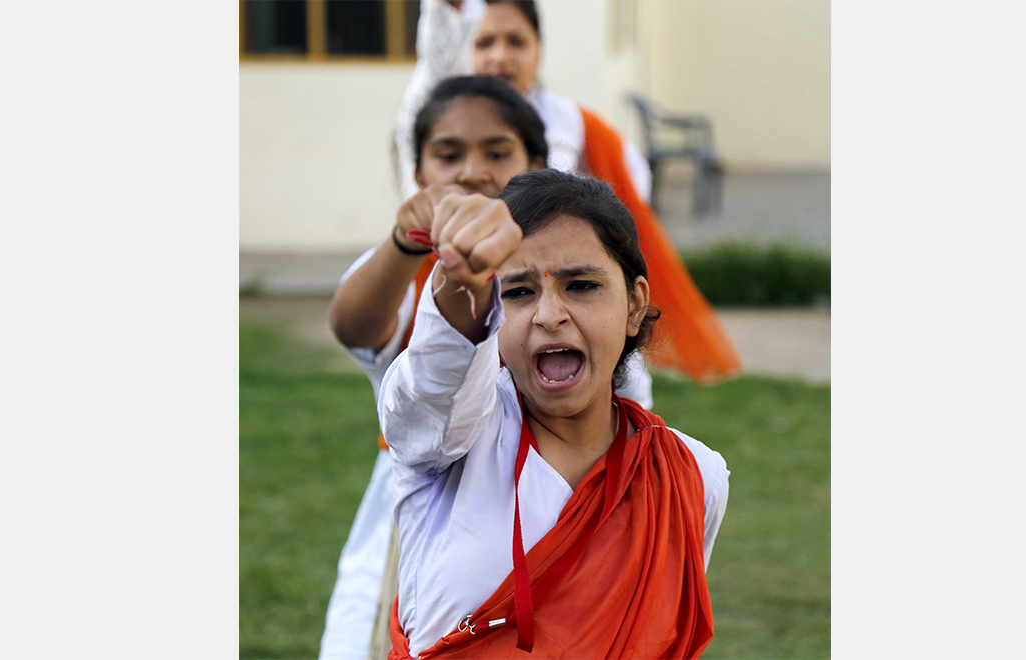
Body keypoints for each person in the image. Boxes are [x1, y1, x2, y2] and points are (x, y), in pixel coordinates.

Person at [318, 76, 651, 660]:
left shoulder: (691, 478)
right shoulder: (421, 284)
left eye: (497, 153)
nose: (472, 172)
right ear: (418, 173)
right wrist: (422, 256)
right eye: (448, 155)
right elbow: (358, 331)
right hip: (424, 538)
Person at [381, 169, 730, 658]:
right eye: (518, 292)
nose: (549, 314)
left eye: (581, 286)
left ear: (635, 305)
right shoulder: (451, 438)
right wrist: (463, 280)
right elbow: (434, 383)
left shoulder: (692, 477)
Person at [396, 0, 742, 384]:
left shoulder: (571, 123)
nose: (499, 57)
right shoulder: (442, 114)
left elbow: (624, 190)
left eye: (516, 42)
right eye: (484, 43)